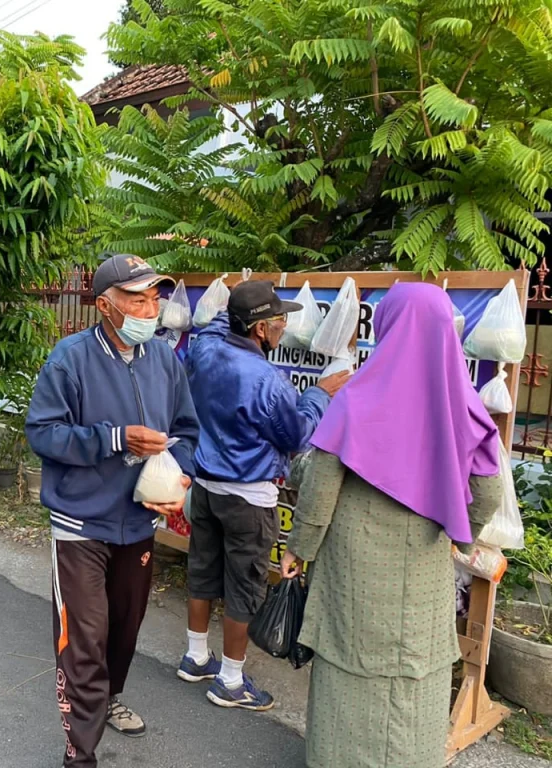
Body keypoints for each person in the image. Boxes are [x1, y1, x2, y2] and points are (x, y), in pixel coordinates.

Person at [278, 283, 503, 768]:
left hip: (355, 570)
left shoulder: (358, 397)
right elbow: (487, 492)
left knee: (348, 667)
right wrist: (458, 533)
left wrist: (300, 548)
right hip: (423, 569)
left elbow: (320, 486)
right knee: (415, 673)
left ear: (387, 328)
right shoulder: (462, 404)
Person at [25, 254, 200, 768]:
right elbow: (43, 433)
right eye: (137, 298)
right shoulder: (70, 358)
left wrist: (180, 478)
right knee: (85, 635)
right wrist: (116, 438)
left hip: (139, 520)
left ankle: (110, 697)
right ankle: (80, 754)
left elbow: (186, 432)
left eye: (155, 297)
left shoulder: (165, 360)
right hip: (80, 523)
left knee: (125, 626)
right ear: (105, 305)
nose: (151, 307)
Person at [178, 280, 348, 711]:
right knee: (244, 583)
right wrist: (318, 394)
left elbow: (223, 322)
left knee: (202, 568)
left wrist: (241, 297)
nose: (284, 328)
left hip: (206, 486)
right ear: (260, 330)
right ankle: (231, 682)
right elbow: (296, 436)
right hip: (248, 496)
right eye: (279, 321)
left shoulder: (204, 349)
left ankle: (196, 657)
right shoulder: (267, 380)